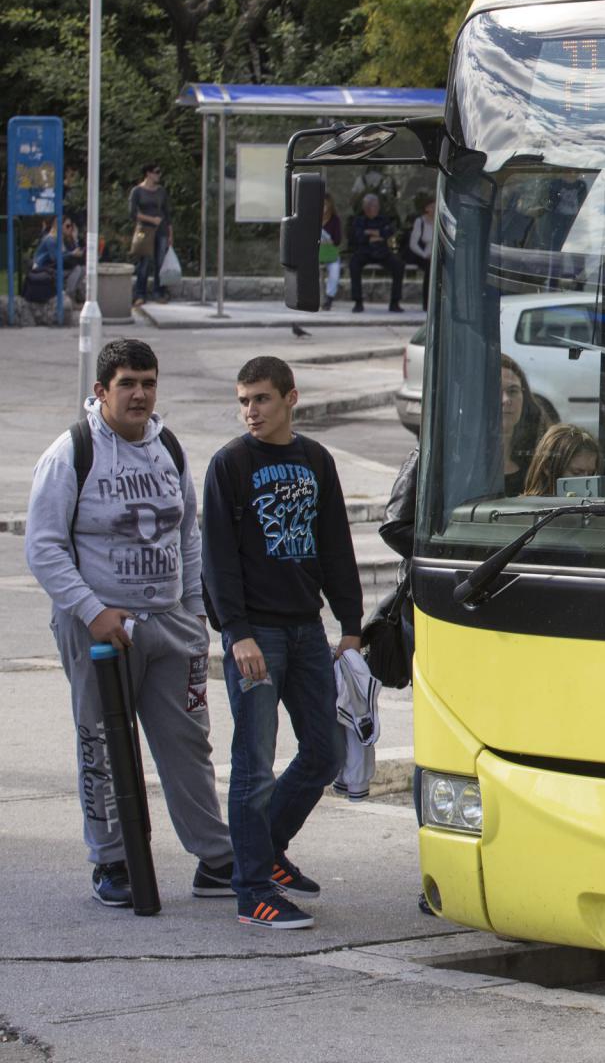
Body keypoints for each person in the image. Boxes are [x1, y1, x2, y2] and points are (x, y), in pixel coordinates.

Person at [24, 338, 232, 908]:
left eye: (148, 383)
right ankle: (112, 861)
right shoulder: (71, 453)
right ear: (101, 391)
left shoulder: (168, 446)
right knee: (102, 742)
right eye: (127, 384)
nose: (139, 394)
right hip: (98, 629)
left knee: (189, 743)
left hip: (170, 624)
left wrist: (193, 611)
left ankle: (215, 858)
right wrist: (92, 610)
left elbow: (187, 533)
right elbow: (42, 548)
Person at [200, 356, 363, 929]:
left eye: (262, 399)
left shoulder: (315, 460)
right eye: (243, 400)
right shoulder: (230, 464)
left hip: (307, 628)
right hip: (257, 633)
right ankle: (251, 892)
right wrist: (236, 631)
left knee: (326, 752)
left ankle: (263, 851)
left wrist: (351, 623)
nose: (251, 411)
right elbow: (216, 560)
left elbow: (335, 542)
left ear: (290, 399)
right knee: (253, 763)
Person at [500, 355, 551, 497]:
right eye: (495, 390)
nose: (506, 400)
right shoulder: (460, 460)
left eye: (512, 391)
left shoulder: (542, 461)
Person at [346, 193, 403, 314]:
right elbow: (358, 237)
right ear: (365, 207)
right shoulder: (359, 220)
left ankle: (395, 302)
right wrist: (377, 234)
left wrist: (370, 233)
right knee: (354, 265)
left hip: (382, 252)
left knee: (398, 265)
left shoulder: (384, 219)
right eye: (371, 206)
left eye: (376, 205)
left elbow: (388, 232)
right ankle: (358, 302)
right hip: (364, 252)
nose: (374, 208)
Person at [128, 163, 171, 306]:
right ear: (148, 173)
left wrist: (170, 234)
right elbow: (133, 213)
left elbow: (167, 213)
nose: (159, 175)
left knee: (160, 261)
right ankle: (140, 293)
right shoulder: (137, 191)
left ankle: (159, 291)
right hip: (144, 230)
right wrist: (150, 219)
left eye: (160, 172)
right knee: (144, 262)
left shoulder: (161, 191)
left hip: (161, 230)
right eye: (156, 172)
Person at [523, 424, 600, 496]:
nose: (586, 483)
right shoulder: (524, 508)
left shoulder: (595, 505)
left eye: (591, 474)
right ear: (548, 467)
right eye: (576, 473)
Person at [404, 192, 434, 311]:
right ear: (426, 208)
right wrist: (424, 255)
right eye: (432, 206)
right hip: (423, 254)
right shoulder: (419, 221)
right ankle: (427, 304)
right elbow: (413, 244)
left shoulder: (441, 219)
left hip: (436, 253)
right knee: (429, 269)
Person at [318, 195, 343, 311]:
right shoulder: (312, 219)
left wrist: (329, 240)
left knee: (335, 271)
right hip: (315, 253)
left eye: (325, 204)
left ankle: (329, 298)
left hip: (330, 253)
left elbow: (338, 240)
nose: (323, 207)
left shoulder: (335, 220)